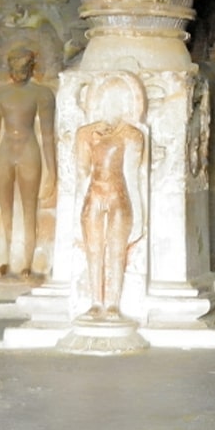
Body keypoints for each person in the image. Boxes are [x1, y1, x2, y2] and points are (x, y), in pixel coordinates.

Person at [0, 48, 56, 279]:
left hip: (29, 150)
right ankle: (3, 259)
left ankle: (27, 264)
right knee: (5, 210)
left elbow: (48, 135)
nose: (19, 73)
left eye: (24, 68)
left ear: (32, 68)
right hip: (5, 151)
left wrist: (52, 172)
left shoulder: (42, 94)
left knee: (30, 208)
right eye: (15, 68)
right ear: (9, 68)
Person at [75, 117, 145, 321]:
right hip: (94, 194)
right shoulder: (90, 135)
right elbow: (82, 170)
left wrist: (139, 216)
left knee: (116, 251)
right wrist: (85, 134)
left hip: (118, 195)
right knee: (93, 250)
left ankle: (113, 303)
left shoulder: (130, 135)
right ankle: (96, 302)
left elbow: (133, 173)